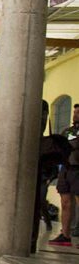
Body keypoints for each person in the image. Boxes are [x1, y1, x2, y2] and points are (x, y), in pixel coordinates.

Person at [50, 103, 79, 246]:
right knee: (65, 202)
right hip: (66, 168)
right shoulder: (68, 131)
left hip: (78, 168)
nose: (75, 115)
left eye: (78, 113)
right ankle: (65, 234)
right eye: (74, 113)